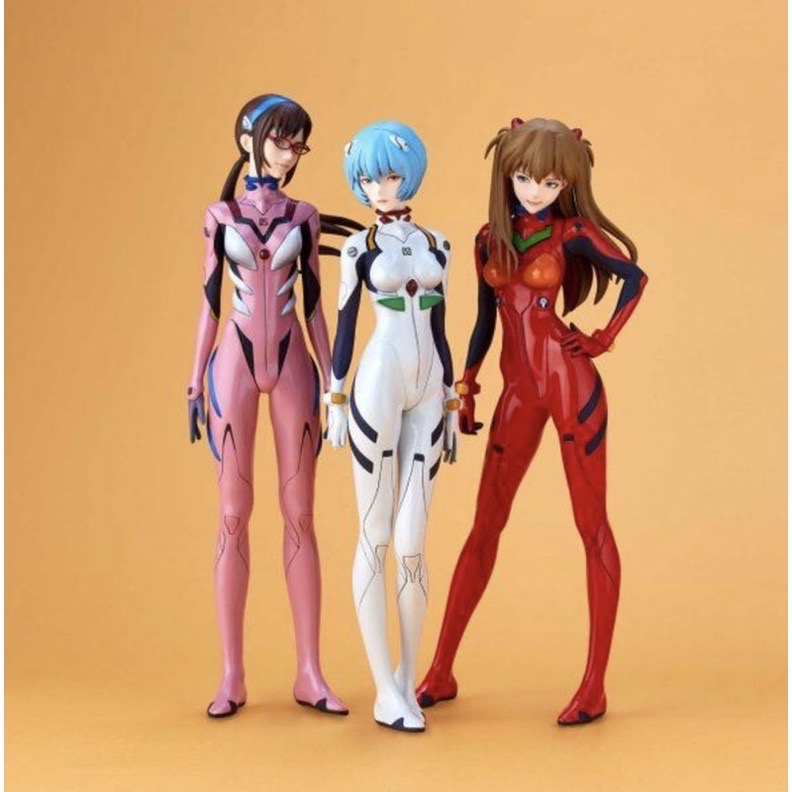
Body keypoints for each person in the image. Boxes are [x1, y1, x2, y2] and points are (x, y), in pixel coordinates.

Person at [416, 117, 648, 726]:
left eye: (549, 182)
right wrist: (467, 384)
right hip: (518, 390)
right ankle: (441, 669)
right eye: (524, 177)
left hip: (572, 388)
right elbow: (483, 322)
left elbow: (635, 277)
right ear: (507, 173)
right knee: (484, 525)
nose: (536, 190)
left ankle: (594, 686)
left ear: (567, 183)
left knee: (591, 527)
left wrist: (602, 338)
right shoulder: (487, 240)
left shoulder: (573, 233)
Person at [187, 94, 347, 718]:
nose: (290, 153)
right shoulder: (219, 215)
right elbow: (209, 303)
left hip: (293, 363)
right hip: (232, 361)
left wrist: (335, 381)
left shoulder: (304, 215)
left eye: (298, 144)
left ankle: (310, 671)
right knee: (233, 514)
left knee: (300, 514)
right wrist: (193, 383)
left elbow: (314, 305)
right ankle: (232, 675)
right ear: (249, 139)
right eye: (282, 140)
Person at [325, 121, 457, 732]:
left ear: (411, 174)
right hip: (376, 382)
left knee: (412, 540)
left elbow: (443, 327)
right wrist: (334, 397)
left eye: (391, 175)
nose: (380, 188)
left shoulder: (439, 244)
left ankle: (406, 676)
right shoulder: (358, 249)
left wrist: (451, 401)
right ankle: (382, 687)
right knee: (374, 532)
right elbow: (345, 323)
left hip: (429, 388)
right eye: (368, 178)